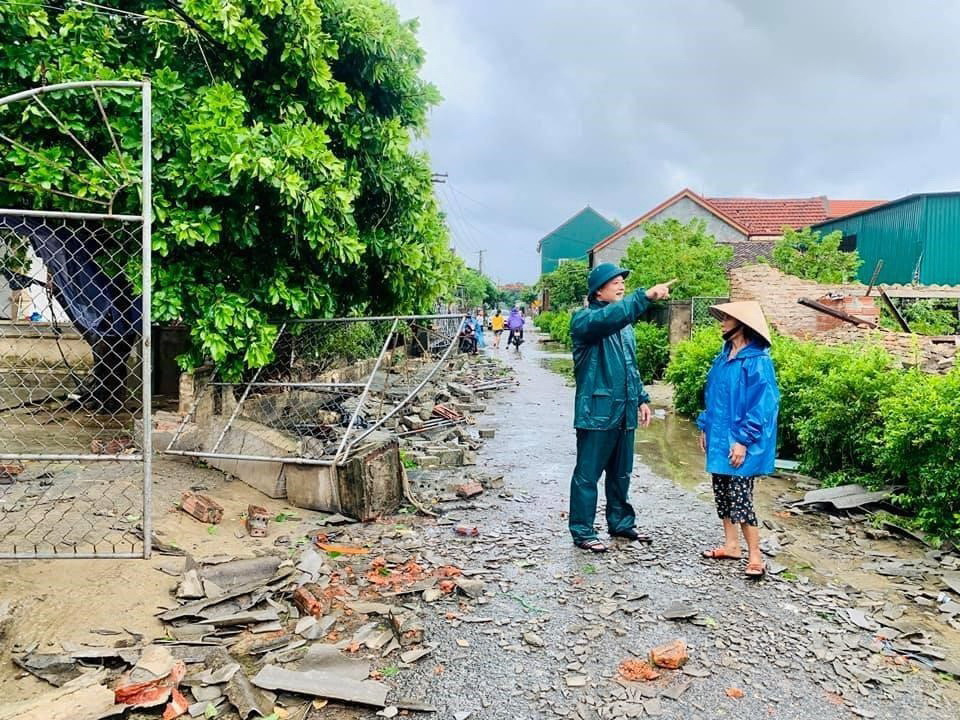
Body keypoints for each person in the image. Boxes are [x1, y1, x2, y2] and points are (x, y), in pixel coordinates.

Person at [568, 263, 675, 552]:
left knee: (621, 472)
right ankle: (583, 530)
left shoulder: (624, 327)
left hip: (624, 410)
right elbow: (611, 317)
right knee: (588, 474)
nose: (621, 285)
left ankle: (621, 524)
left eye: (622, 282)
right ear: (598, 289)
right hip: (597, 410)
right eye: (614, 282)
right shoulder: (585, 320)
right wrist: (645, 296)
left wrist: (641, 398)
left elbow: (630, 365)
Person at [697, 301, 780, 578]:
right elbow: (712, 397)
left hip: (742, 441)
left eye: (727, 318)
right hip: (719, 437)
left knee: (741, 496)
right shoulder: (723, 359)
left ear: (742, 324)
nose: (722, 322)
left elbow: (764, 405)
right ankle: (731, 545)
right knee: (722, 492)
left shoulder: (757, 362)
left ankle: (755, 556)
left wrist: (743, 440)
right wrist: (704, 427)